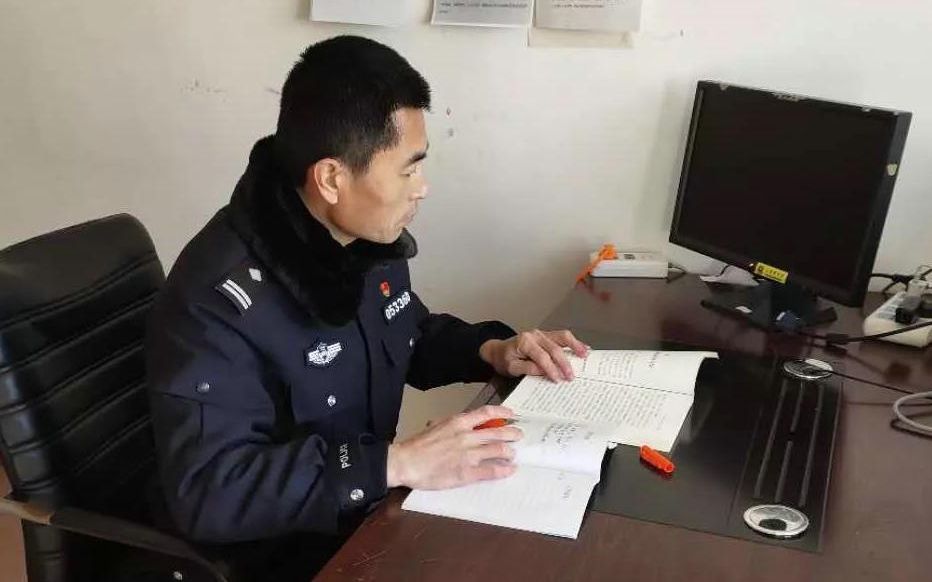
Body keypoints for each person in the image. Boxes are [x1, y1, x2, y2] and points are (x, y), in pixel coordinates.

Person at [145, 35, 587, 580]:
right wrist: (396, 463)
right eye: (407, 170)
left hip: (363, 521)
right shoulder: (219, 302)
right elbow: (211, 491)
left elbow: (405, 333)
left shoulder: (356, 238)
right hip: (280, 557)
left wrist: (491, 349)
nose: (422, 188)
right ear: (332, 178)